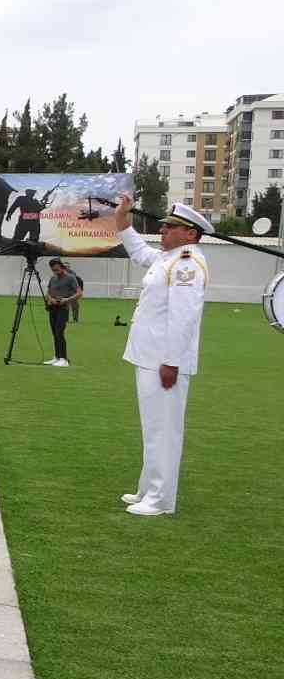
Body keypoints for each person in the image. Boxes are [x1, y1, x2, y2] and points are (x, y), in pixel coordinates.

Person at [113, 196, 209, 517]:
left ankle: (161, 499)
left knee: (164, 430)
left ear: (191, 234)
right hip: (149, 356)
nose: (163, 229)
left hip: (164, 361)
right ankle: (148, 488)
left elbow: (183, 318)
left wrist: (171, 361)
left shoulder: (186, 265)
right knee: (152, 427)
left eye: (172, 227)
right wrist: (123, 221)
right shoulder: (167, 259)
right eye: (165, 225)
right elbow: (140, 253)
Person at [44, 258, 80, 367]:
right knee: (54, 333)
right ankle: (57, 357)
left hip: (63, 309)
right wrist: (51, 299)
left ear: (62, 267)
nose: (55, 272)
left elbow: (79, 293)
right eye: (53, 270)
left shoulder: (70, 278)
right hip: (53, 308)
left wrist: (67, 300)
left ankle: (64, 359)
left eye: (57, 270)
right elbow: (48, 293)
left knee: (60, 332)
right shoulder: (53, 279)